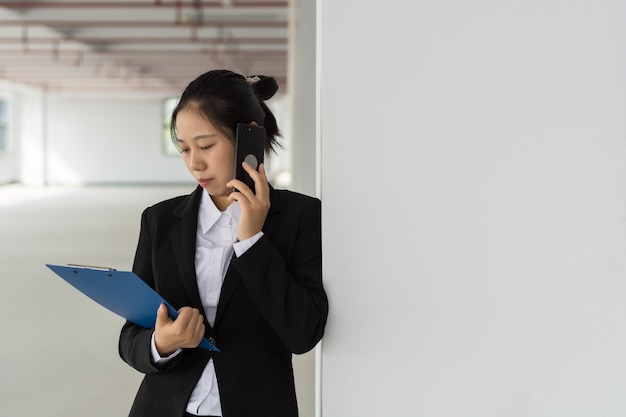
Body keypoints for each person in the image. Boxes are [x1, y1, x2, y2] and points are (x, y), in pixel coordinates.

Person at [118, 69, 328, 417]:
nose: (194, 163)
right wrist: (162, 343)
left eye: (206, 145)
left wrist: (252, 241)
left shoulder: (301, 216)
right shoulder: (158, 220)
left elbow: (303, 334)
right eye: (184, 149)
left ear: (250, 140)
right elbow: (131, 337)